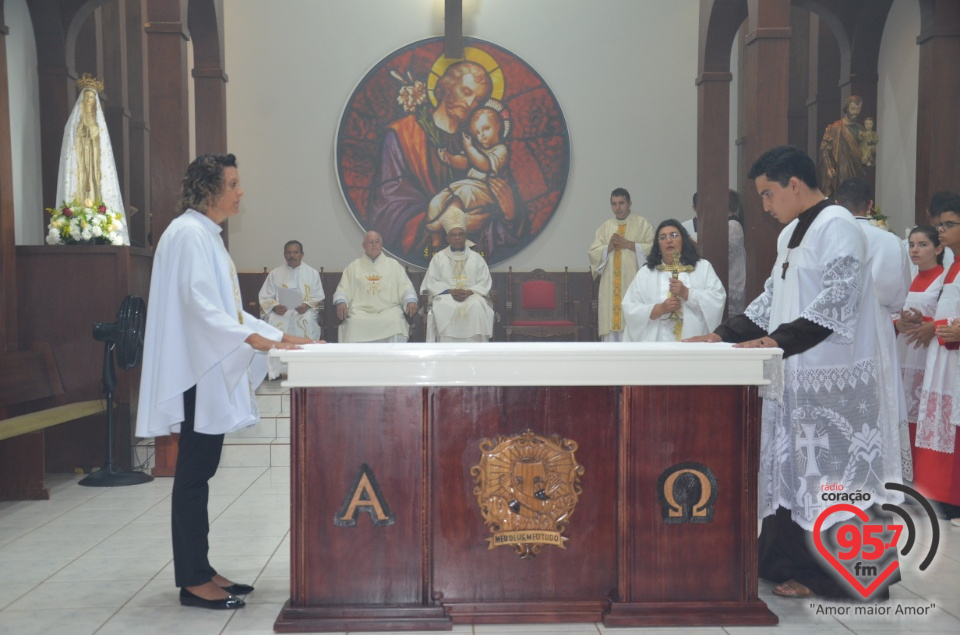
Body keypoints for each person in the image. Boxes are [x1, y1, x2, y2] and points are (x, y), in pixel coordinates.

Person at [688, 146, 905, 600]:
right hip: (797, 376)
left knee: (835, 475)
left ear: (794, 185)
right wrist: (725, 334)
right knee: (796, 473)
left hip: (833, 377)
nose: (765, 206)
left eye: (768, 195)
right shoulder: (791, 234)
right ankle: (788, 561)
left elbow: (836, 301)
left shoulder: (838, 225)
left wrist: (776, 342)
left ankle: (849, 577)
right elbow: (772, 299)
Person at [136, 154, 315, 610]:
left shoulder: (204, 235)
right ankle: (192, 579)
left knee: (203, 472)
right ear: (209, 190)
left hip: (207, 363)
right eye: (233, 184)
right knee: (193, 475)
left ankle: (203, 566)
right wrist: (256, 337)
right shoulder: (188, 235)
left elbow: (227, 310)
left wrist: (275, 335)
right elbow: (200, 306)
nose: (241, 192)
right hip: (197, 369)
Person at [370, 61, 525, 259]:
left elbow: (498, 204)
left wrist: (509, 216)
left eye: (478, 100)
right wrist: (455, 223)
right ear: (446, 86)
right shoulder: (403, 135)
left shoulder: (480, 144)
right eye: (466, 91)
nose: (470, 104)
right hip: (426, 251)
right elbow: (389, 211)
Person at [915, 194, 960, 525]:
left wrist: (940, 327)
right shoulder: (952, 267)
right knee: (941, 425)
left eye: (948, 224)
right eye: (939, 224)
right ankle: (939, 495)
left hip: (954, 355)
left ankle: (951, 496)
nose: (941, 230)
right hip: (944, 356)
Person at [895, 226, 946, 498]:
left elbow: (948, 316)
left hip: (928, 355)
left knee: (921, 416)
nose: (915, 250)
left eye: (923, 244)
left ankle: (924, 483)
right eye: (912, 244)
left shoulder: (943, 280)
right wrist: (900, 322)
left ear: (938, 249)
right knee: (905, 413)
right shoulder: (909, 277)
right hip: (905, 352)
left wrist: (926, 323)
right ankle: (905, 478)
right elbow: (893, 310)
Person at [621, 219, 726, 342]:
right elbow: (630, 308)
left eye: (674, 235)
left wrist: (688, 293)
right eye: (663, 237)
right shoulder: (646, 273)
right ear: (658, 245)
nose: (669, 240)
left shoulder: (702, 267)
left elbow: (717, 298)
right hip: (658, 343)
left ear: (683, 240)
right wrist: (660, 309)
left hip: (693, 341)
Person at [55, 74, 129, 244]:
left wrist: (92, 137)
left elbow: (103, 152)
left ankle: (98, 218)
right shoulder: (74, 125)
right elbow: (70, 151)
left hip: (94, 164)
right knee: (80, 189)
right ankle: (76, 219)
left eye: (91, 98)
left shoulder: (98, 125)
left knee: (95, 187)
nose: (88, 101)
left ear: (95, 102)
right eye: (86, 98)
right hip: (80, 164)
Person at [426, 104, 512, 249]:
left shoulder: (500, 150)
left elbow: (483, 164)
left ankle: (439, 225)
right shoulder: (476, 150)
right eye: (477, 132)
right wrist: (450, 158)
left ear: (498, 126)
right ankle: (435, 243)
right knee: (438, 201)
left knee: (462, 194)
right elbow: (465, 162)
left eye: (486, 128)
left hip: (485, 192)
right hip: (469, 188)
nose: (482, 135)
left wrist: (469, 147)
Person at [834, 177, 910, 319]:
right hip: (879, 320)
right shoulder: (893, 241)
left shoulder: (829, 237)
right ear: (870, 205)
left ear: (837, 204)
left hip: (838, 320)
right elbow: (902, 294)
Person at [588, 188, 655, 341]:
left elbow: (653, 249)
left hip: (633, 283)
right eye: (614, 204)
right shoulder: (605, 227)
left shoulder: (642, 224)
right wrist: (608, 248)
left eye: (621, 203)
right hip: (610, 289)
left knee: (633, 329)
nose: (618, 208)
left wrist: (628, 244)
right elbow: (593, 252)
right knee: (611, 334)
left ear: (629, 203)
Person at [420, 210, 495, 342]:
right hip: (446, 297)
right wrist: (450, 291)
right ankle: (446, 351)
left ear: (465, 236)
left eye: (460, 234)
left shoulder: (476, 258)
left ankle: (476, 351)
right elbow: (431, 283)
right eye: (453, 235)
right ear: (448, 238)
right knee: (443, 306)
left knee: (477, 305)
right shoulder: (439, 258)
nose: (457, 238)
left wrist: (469, 292)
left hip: (472, 296)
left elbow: (484, 282)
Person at [333, 231, 419, 343]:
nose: (374, 245)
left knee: (396, 320)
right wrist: (341, 303)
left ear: (381, 245)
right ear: (363, 245)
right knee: (353, 322)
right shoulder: (353, 266)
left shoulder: (393, 265)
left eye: (377, 242)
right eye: (370, 242)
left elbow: (406, 288)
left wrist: (411, 301)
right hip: (360, 311)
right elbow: (343, 290)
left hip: (389, 309)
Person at [685, 190, 747, 316]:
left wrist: (690, 241)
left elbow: (722, 256)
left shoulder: (733, 226)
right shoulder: (724, 224)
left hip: (731, 279)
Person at [259, 240, 325, 341]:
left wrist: (306, 305)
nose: (292, 256)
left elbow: (320, 300)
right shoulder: (274, 274)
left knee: (308, 320)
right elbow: (264, 298)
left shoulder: (312, 273)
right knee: (273, 319)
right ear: (284, 254)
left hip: (304, 312)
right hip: (280, 313)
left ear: (302, 254)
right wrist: (274, 307)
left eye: (295, 252)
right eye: (288, 252)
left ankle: (305, 354)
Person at [818, 95, 868, 197]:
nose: (855, 112)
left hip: (858, 173)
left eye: (858, 109)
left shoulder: (862, 130)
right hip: (841, 171)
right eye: (853, 109)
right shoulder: (835, 128)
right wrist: (828, 167)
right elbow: (824, 150)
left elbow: (866, 152)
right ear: (846, 108)